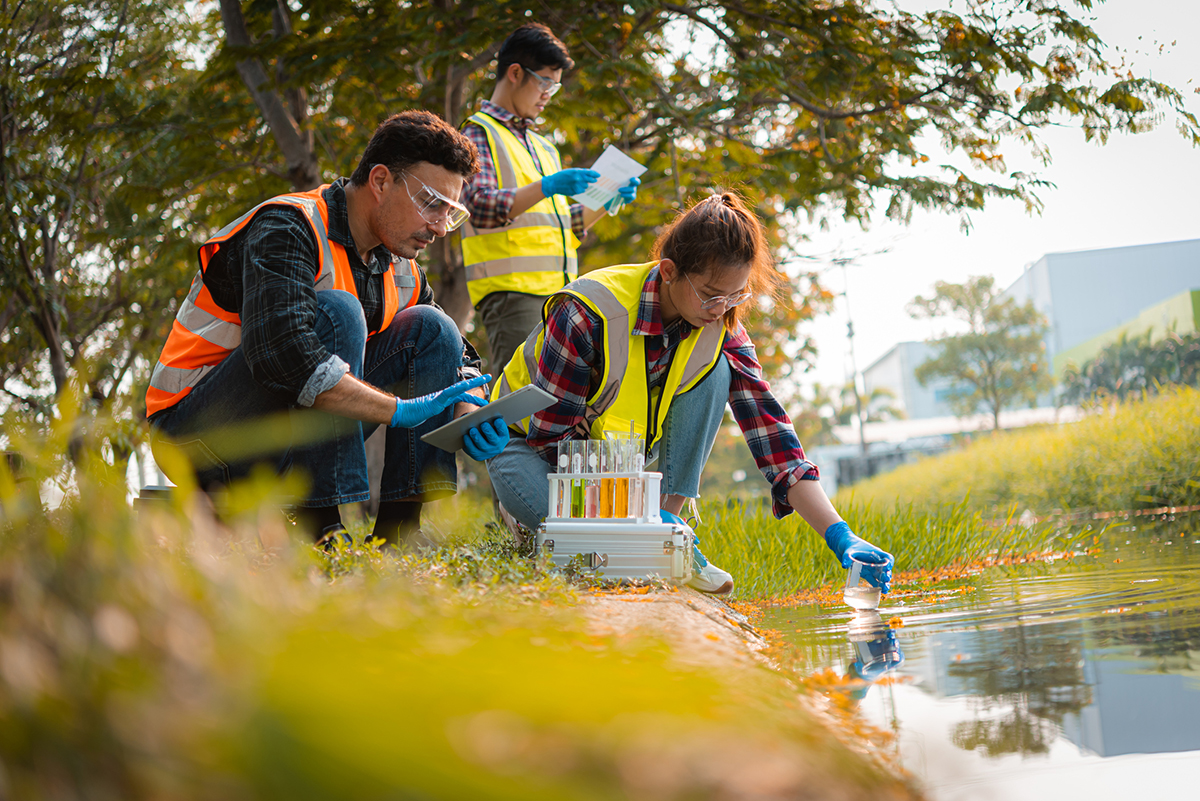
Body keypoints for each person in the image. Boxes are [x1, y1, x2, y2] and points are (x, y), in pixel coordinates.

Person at [485, 193, 894, 595]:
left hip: (618, 467)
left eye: (736, 295)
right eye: (710, 293)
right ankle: (619, 538)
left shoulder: (722, 329)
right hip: (529, 451)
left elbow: (773, 438)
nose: (720, 308)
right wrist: (638, 517)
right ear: (668, 271)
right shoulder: (588, 311)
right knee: (608, 562)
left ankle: (665, 532)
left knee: (719, 371)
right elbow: (551, 441)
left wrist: (840, 535)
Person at [146, 110, 510, 545]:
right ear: (380, 182)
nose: (438, 227)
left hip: (286, 440)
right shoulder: (287, 227)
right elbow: (282, 355)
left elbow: (461, 355)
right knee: (338, 312)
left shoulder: (400, 266)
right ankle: (323, 531)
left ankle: (400, 537)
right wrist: (395, 409)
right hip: (199, 439)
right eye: (431, 204)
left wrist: (469, 410)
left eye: (449, 213)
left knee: (432, 327)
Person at [459, 22, 639, 368]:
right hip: (513, 294)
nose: (547, 95)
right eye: (544, 83)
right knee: (519, 397)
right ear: (515, 73)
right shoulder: (478, 132)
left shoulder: (544, 147)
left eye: (553, 88)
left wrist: (608, 197)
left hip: (562, 293)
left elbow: (565, 225)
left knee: (559, 399)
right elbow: (478, 207)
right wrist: (547, 186)